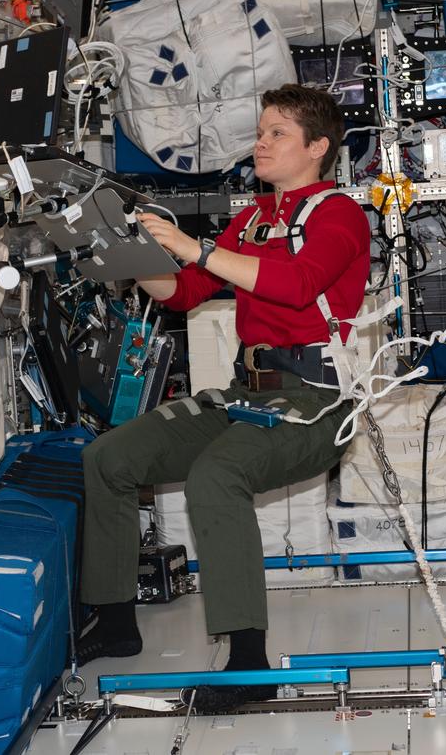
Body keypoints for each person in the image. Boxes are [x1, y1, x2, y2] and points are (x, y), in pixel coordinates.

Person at [77, 83, 371, 711]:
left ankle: (246, 667)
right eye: (260, 131)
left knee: (215, 477)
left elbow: (298, 286)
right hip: (247, 392)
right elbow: (181, 293)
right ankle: (116, 620)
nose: (260, 144)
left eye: (277, 134)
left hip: (315, 401)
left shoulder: (338, 214)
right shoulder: (257, 218)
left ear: (317, 147)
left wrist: (199, 248)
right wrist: (131, 255)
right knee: (110, 458)